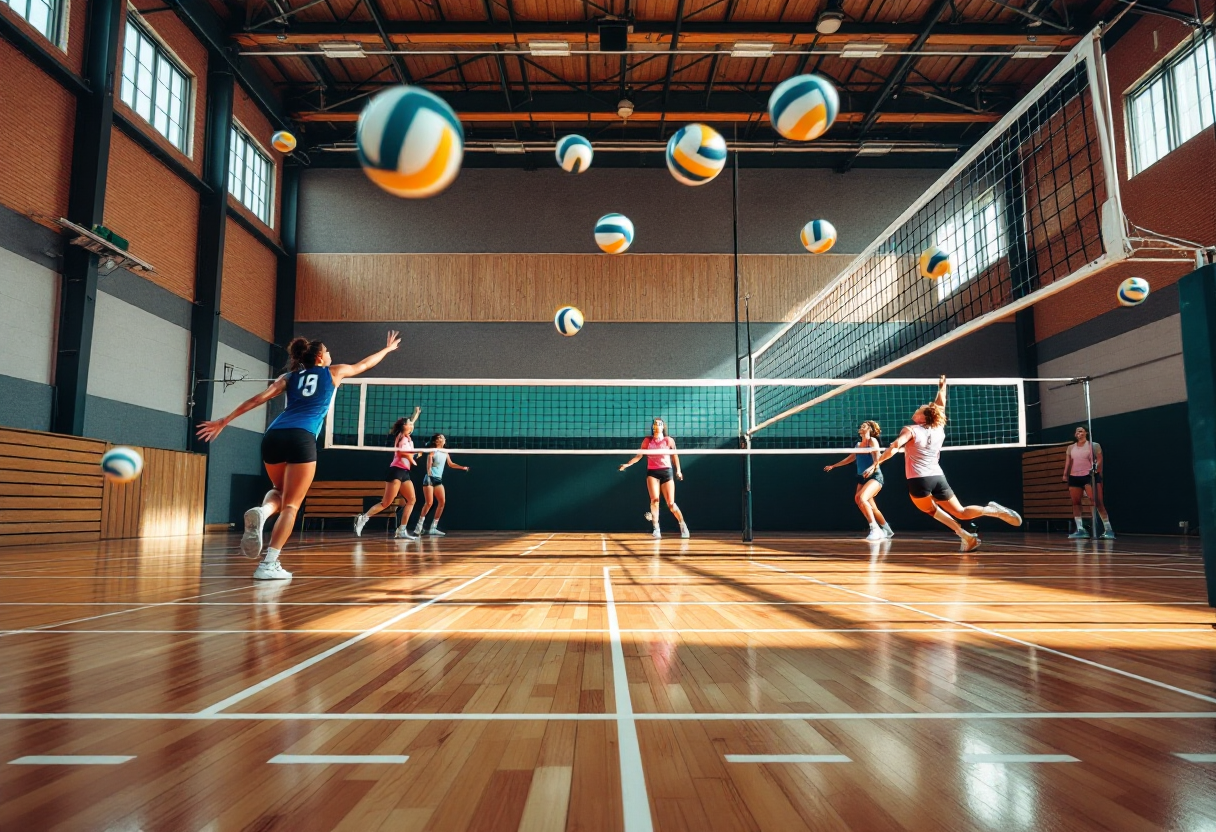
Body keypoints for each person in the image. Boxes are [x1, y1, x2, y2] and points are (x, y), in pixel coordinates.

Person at [197, 331, 401, 579]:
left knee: (279, 490)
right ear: (318, 357)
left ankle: (262, 512)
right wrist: (387, 350)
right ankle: (268, 564)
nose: (330, 354)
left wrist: (225, 420)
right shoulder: (333, 372)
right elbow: (364, 364)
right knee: (292, 505)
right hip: (302, 437)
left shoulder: (289, 377)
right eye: (327, 351)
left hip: (274, 436)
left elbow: (258, 398)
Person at [866, 376, 1022, 552]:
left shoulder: (910, 429)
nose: (916, 409)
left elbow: (895, 446)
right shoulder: (938, 428)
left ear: (922, 418)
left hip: (919, 480)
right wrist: (942, 388)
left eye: (919, 409)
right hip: (938, 477)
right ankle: (988, 511)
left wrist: (876, 463)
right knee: (960, 511)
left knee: (932, 511)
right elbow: (940, 405)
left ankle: (965, 535)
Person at [354, 407, 422, 540]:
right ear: (404, 426)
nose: (412, 425)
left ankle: (402, 530)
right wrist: (411, 459)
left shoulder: (408, 438)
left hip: (404, 473)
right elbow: (401, 453)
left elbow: (410, 425)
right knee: (386, 503)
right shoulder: (401, 438)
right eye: (409, 423)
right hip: (396, 471)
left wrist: (415, 414)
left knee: (412, 500)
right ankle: (363, 518)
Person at [620, 418, 689, 539]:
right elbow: (639, 455)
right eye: (655, 424)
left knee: (671, 504)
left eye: (660, 424)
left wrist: (678, 470)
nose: (657, 425)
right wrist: (627, 464)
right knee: (654, 501)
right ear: (653, 427)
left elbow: (675, 456)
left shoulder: (669, 441)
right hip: (653, 472)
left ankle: (682, 525)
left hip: (666, 471)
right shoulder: (647, 441)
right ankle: (656, 529)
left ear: (663, 427)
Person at [824, 420, 894, 541]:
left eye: (864, 426)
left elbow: (878, 458)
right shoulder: (858, 445)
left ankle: (874, 528)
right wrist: (834, 465)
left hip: (875, 476)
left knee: (862, 498)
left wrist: (872, 469)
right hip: (862, 478)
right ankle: (887, 530)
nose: (861, 427)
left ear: (870, 429)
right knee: (863, 502)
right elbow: (850, 458)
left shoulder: (872, 441)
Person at [411, 434, 471, 536]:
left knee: (442, 502)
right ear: (436, 440)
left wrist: (462, 467)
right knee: (429, 503)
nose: (443, 439)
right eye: (440, 437)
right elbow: (429, 465)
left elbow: (451, 464)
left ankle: (433, 528)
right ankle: (419, 527)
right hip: (429, 479)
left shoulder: (445, 452)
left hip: (438, 480)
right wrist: (429, 475)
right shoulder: (433, 451)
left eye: (443, 437)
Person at [1061, 425, 1114, 539]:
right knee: (1076, 502)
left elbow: (1099, 459)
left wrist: (1096, 468)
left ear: (1086, 433)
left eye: (1081, 431)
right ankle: (1080, 529)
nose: (1078, 433)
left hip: (1089, 476)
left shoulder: (1093, 446)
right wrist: (1065, 474)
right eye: (1077, 431)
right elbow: (1068, 462)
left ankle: (1108, 529)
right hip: (1075, 476)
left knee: (1097, 502)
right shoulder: (1071, 448)